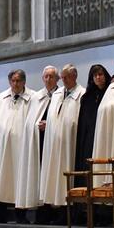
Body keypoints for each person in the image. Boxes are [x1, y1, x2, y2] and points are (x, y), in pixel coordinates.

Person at [0, 69, 33, 223]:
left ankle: (21, 214)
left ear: (24, 82)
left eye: (18, 81)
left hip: (22, 146)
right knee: (3, 177)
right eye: (13, 81)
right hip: (4, 146)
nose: (15, 84)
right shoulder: (2, 97)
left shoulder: (32, 98)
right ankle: (1, 214)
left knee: (21, 178)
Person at [39, 64, 84, 217]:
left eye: (66, 77)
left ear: (74, 77)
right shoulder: (58, 93)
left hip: (69, 143)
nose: (63, 80)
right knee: (53, 176)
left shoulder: (81, 94)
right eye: (62, 78)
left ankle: (67, 212)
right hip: (54, 143)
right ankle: (54, 209)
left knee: (66, 176)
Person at [15, 65, 59, 221]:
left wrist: (51, 125)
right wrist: (36, 126)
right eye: (46, 77)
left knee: (51, 174)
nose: (48, 79)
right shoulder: (37, 97)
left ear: (57, 79)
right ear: (42, 79)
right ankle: (41, 208)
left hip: (54, 143)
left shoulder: (61, 95)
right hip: (38, 141)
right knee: (39, 174)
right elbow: (29, 122)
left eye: (52, 76)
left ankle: (53, 210)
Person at [73, 64, 110, 180]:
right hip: (89, 136)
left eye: (100, 74)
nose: (98, 78)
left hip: (105, 134)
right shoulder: (87, 97)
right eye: (95, 75)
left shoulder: (111, 93)